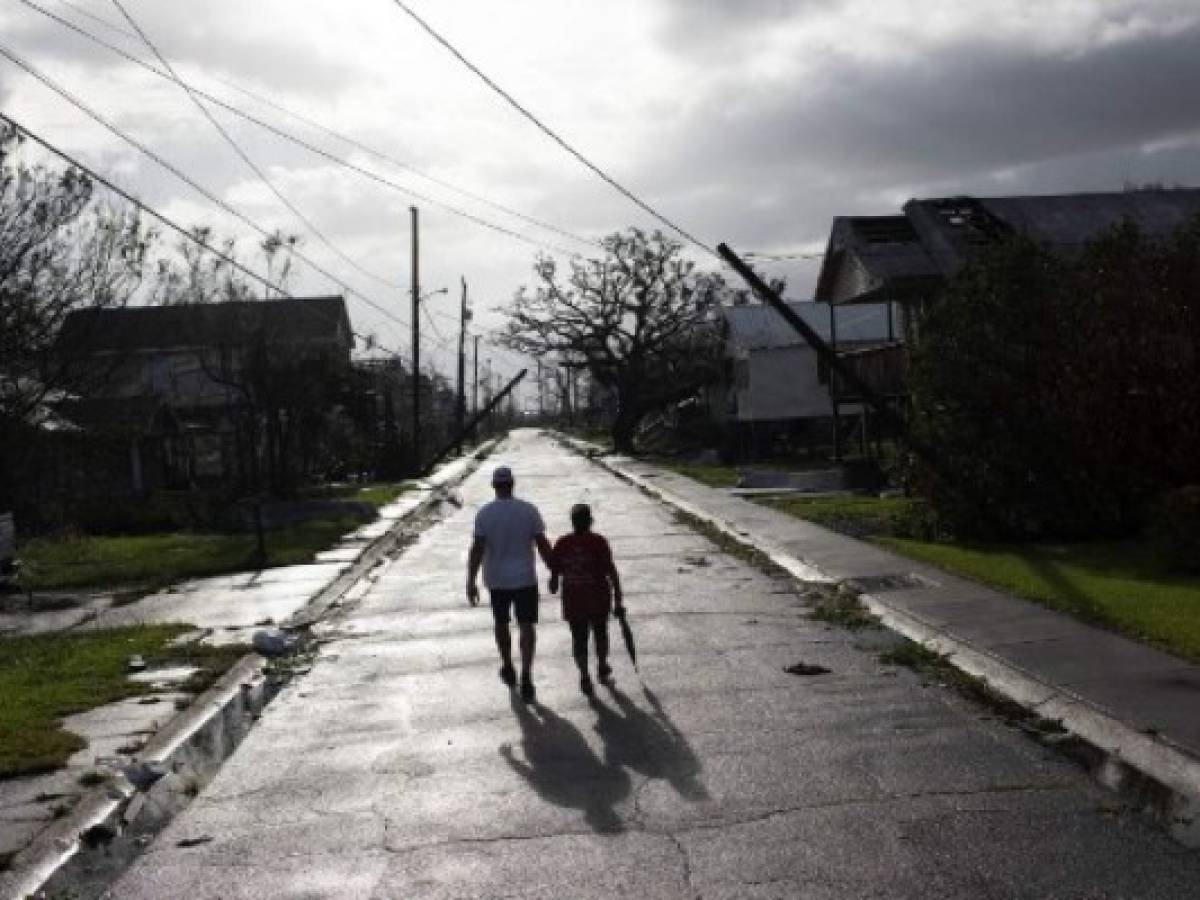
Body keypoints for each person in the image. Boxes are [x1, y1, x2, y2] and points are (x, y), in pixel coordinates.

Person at [467, 465, 554, 702]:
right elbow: (543, 544)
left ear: (494, 486)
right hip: (525, 578)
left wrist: (471, 580)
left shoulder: (484, 513)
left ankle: (507, 665)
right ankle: (526, 673)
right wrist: (554, 570)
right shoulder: (528, 510)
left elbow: (477, 549)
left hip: (497, 580)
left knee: (501, 623)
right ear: (512, 484)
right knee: (526, 626)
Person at [548, 503, 623, 695]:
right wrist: (618, 599)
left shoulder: (562, 543)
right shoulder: (598, 542)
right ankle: (602, 664)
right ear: (590, 521)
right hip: (598, 598)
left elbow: (553, 578)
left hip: (574, 601)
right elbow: (611, 571)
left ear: (572, 522)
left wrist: (555, 581)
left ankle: (584, 675)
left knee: (579, 639)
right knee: (600, 634)